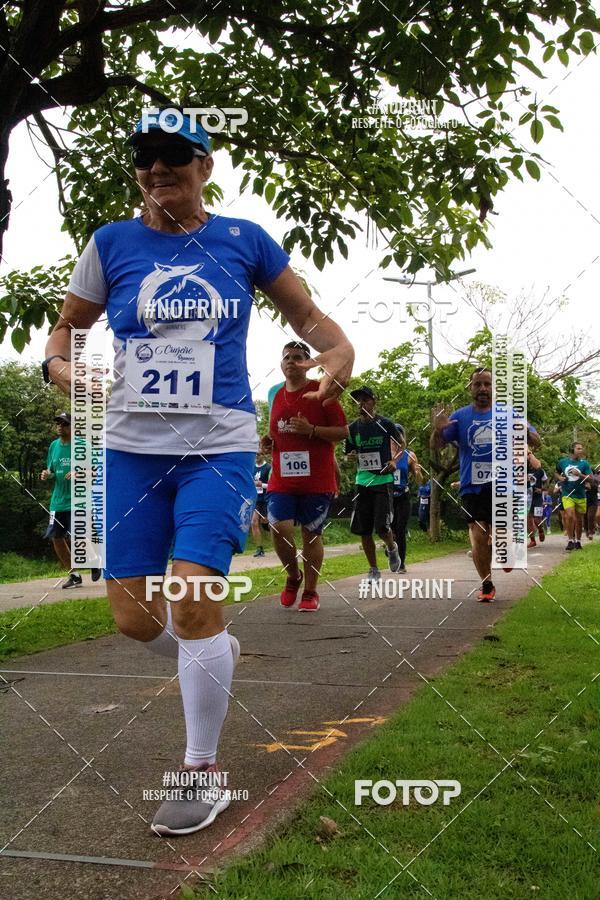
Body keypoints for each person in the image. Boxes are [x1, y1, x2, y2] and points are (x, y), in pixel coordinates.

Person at [42, 108, 354, 836]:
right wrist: (58, 364)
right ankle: (211, 645)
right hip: (129, 449)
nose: (158, 169)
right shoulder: (110, 244)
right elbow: (68, 328)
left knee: (188, 600)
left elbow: (311, 320)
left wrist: (338, 352)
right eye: (145, 158)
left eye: (175, 157)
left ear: (205, 166)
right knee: (133, 618)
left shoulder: (244, 240)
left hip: (218, 446)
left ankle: (201, 770)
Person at [433, 367, 540, 602]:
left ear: (494, 388)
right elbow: (437, 446)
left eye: (487, 384)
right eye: (478, 384)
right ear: (471, 388)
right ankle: (487, 584)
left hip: (504, 484)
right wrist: (437, 430)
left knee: (502, 535)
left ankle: (507, 551)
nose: (483, 388)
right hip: (472, 484)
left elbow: (536, 441)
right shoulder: (460, 416)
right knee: (479, 534)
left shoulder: (509, 413)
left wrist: (524, 431)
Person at [262, 341, 348, 611]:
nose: (291, 361)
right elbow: (276, 431)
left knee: (311, 535)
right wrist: (268, 442)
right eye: (287, 357)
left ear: (308, 364)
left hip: (317, 478)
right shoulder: (276, 394)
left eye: (297, 357)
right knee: (279, 528)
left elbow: (343, 431)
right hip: (282, 478)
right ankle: (293, 576)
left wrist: (311, 430)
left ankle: (310, 591)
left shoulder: (322, 391)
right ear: (281, 363)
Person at [345, 387, 402, 582]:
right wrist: (350, 457)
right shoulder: (352, 428)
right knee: (364, 529)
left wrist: (394, 460)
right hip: (362, 481)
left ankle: (392, 548)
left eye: (365, 400)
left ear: (373, 402)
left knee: (381, 527)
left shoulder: (385, 424)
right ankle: (373, 569)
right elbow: (349, 453)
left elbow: (401, 444)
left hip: (383, 480)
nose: (361, 404)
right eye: (358, 401)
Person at [40, 412, 101, 588]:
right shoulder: (53, 446)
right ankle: (74, 576)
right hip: (58, 501)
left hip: (79, 499)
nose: (60, 426)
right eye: (58, 423)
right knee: (56, 538)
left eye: (65, 424)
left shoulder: (84, 446)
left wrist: (79, 473)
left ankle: (95, 560)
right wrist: (47, 474)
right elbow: (52, 470)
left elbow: (97, 471)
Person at [391, 425, 422, 572]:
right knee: (388, 529)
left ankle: (401, 563)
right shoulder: (385, 454)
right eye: (393, 437)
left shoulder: (409, 455)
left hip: (403, 496)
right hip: (387, 497)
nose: (396, 440)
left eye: (399, 436)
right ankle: (391, 548)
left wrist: (417, 472)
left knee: (400, 529)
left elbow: (419, 480)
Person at [556, 442, 593, 550]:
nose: (581, 450)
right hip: (567, 494)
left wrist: (579, 474)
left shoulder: (584, 464)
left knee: (579, 519)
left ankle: (578, 541)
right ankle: (570, 540)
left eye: (581, 448)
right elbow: (556, 472)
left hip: (580, 494)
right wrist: (559, 477)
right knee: (570, 516)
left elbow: (591, 479)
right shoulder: (563, 462)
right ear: (572, 449)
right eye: (579, 448)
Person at [251, 451, 271, 556]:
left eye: (258, 455)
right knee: (254, 522)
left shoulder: (268, 468)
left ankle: (279, 540)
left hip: (266, 499)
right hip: (255, 499)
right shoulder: (252, 467)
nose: (256, 457)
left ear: (263, 455)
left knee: (265, 522)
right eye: (255, 455)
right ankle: (259, 548)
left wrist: (261, 485)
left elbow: (272, 485)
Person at [526, 449, 547, 549]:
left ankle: (541, 529)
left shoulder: (540, 471)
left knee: (537, 519)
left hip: (537, 498)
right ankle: (532, 540)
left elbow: (546, 483)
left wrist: (542, 489)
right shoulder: (522, 470)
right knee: (528, 520)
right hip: (526, 498)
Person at [584, 466, 599, 540]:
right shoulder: (581, 481)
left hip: (593, 501)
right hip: (583, 501)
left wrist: (590, 486)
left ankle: (591, 532)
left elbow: (596, 489)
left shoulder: (595, 481)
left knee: (590, 516)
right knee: (585, 517)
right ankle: (586, 530)